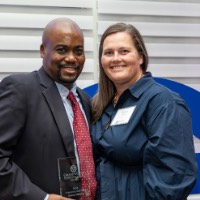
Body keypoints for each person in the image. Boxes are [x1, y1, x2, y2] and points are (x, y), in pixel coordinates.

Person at [91, 22, 198, 200]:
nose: (115, 58)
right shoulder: (102, 105)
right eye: (108, 52)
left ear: (140, 57)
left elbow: (174, 176)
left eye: (124, 51)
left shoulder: (162, 102)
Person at [0, 18, 96, 200]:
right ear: (43, 51)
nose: (71, 58)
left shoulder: (84, 100)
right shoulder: (20, 89)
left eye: (78, 51)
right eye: (62, 49)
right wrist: (43, 198)